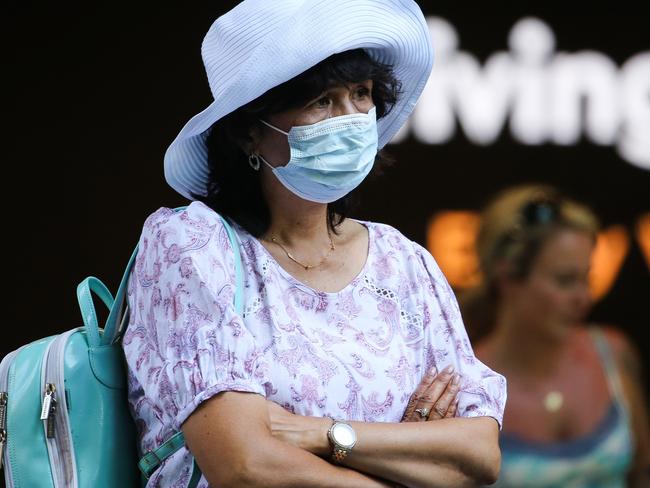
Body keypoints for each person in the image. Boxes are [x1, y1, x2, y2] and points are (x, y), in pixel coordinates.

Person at [123, 1, 506, 486]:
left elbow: (477, 454)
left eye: (361, 94)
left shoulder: (405, 262)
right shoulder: (191, 245)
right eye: (321, 100)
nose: (349, 118)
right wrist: (406, 457)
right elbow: (244, 466)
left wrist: (317, 433)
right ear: (248, 133)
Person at [459, 184, 650, 487]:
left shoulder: (612, 353)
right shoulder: (467, 386)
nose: (584, 297)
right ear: (507, 277)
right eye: (565, 281)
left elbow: (642, 472)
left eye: (586, 278)